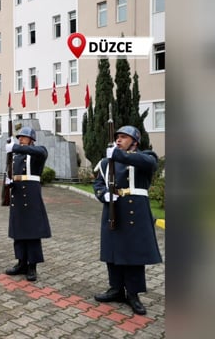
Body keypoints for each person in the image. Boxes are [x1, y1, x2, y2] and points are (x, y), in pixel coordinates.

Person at [92, 125, 162, 316]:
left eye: (123, 137)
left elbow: (148, 164)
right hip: (114, 208)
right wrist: (104, 195)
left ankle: (133, 294)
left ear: (135, 141)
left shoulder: (146, 156)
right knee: (113, 250)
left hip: (135, 210)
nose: (119, 140)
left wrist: (117, 155)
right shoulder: (107, 162)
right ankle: (116, 289)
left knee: (133, 254)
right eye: (117, 137)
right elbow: (98, 183)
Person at [3, 126, 51, 282]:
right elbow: (10, 172)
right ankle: (21, 262)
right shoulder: (15, 157)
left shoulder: (38, 152)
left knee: (32, 232)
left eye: (23, 137)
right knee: (18, 231)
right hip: (17, 194)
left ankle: (32, 266)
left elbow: (42, 152)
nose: (20, 139)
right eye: (19, 137)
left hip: (31, 195)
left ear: (32, 139)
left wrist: (15, 147)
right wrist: (8, 182)